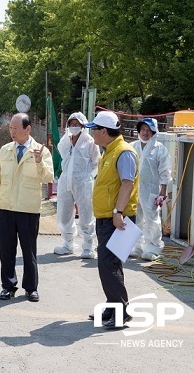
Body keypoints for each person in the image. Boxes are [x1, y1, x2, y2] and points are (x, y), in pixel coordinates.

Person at [0, 113, 54, 302]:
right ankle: (8, 286)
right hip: (7, 207)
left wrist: (39, 162)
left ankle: (31, 287)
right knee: (6, 250)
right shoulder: (6, 150)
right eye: (10, 128)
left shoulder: (40, 151)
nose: (12, 132)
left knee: (29, 251)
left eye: (16, 128)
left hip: (28, 208)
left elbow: (48, 178)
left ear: (28, 129)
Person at [84, 110, 139, 328]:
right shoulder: (109, 151)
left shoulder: (124, 152)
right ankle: (113, 306)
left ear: (104, 131)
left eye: (94, 129)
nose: (92, 134)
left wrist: (118, 212)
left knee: (109, 264)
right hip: (108, 218)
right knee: (109, 265)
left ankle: (121, 312)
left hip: (118, 218)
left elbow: (127, 184)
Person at [54, 112, 100, 259]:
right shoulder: (64, 141)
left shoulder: (90, 142)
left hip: (83, 182)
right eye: (71, 124)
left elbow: (96, 163)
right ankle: (67, 244)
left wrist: (87, 178)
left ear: (83, 126)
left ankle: (88, 247)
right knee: (64, 213)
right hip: (65, 180)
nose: (74, 127)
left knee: (86, 214)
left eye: (77, 124)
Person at [129, 118, 171, 261]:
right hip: (133, 190)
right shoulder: (132, 146)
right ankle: (136, 246)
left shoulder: (159, 149)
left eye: (148, 130)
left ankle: (153, 247)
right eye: (142, 130)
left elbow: (165, 172)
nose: (145, 133)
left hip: (151, 190)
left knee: (152, 219)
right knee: (135, 218)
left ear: (153, 132)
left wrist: (163, 192)